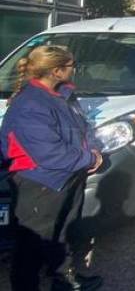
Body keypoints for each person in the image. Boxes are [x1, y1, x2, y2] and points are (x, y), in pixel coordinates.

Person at [0, 46, 103, 291]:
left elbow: (83, 128)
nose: (75, 70)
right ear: (57, 71)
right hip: (41, 184)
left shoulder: (63, 94)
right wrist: (89, 158)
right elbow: (49, 153)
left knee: (61, 234)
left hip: (66, 178)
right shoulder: (30, 105)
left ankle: (65, 280)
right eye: (71, 66)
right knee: (30, 248)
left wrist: (94, 151)